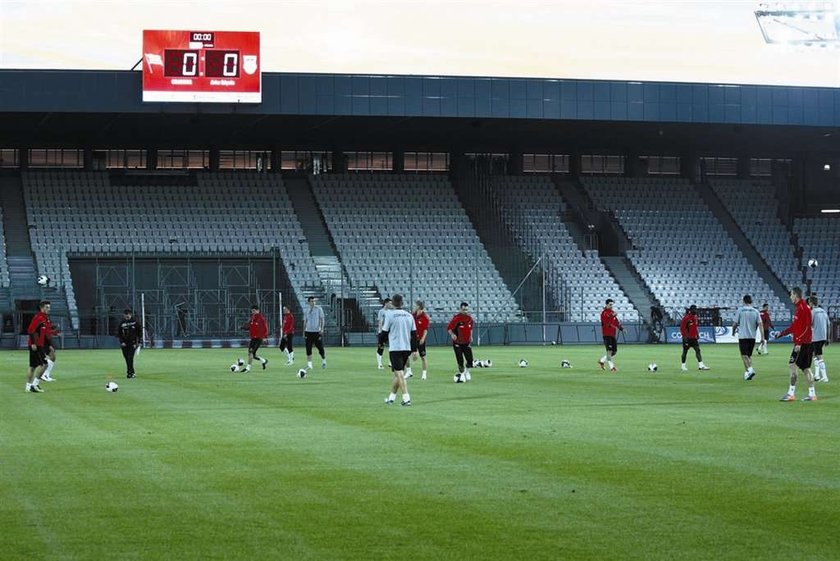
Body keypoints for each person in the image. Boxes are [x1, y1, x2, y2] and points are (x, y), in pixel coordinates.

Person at [777, 287, 816, 401]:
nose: (790, 297)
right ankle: (812, 394)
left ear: (795, 295)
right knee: (806, 368)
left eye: (791, 295)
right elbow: (794, 327)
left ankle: (791, 394)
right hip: (806, 342)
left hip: (802, 343)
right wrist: (781, 334)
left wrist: (798, 342)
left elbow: (806, 327)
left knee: (792, 365)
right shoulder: (801, 307)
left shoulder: (803, 308)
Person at [382, 294, 417, 406]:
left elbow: (384, 332)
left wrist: (381, 343)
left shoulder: (390, 315)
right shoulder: (409, 316)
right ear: (402, 303)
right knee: (398, 373)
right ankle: (391, 398)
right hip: (406, 348)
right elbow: (414, 334)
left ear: (392, 302)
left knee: (400, 374)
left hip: (395, 348)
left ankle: (406, 398)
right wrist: (414, 350)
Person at [732, 295, 760, 381]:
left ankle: (750, 369)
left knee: (743, 355)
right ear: (751, 301)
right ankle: (747, 374)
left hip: (743, 336)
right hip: (752, 336)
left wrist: (733, 331)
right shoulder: (756, 311)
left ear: (743, 301)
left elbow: (735, 323)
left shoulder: (740, 310)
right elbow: (759, 323)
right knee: (748, 356)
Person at [25, 300, 50, 393]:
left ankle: (28, 387)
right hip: (36, 345)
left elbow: (44, 332)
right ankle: (35, 384)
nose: (48, 309)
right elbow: (30, 330)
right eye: (47, 307)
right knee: (45, 364)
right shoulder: (39, 317)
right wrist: (33, 343)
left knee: (32, 366)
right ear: (41, 307)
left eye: (49, 307)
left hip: (39, 344)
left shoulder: (44, 318)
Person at [447, 301, 474, 383]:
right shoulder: (456, 319)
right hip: (457, 343)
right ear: (460, 309)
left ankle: (467, 371)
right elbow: (449, 328)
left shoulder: (469, 319)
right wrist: (452, 334)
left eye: (466, 310)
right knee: (460, 361)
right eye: (464, 310)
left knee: (470, 360)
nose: (465, 311)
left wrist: (471, 336)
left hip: (466, 342)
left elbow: (471, 328)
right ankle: (462, 374)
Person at [680, 305, 710, 371]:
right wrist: (684, 337)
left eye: (696, 309)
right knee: (685, 352)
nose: (696, 311)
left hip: (694, 338)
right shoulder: (686, 318)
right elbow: (682, 328)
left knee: (698, 350)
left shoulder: (695, 317)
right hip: (687, 338)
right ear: (691, 310)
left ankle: (701, 365)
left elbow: (695, 327)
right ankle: (683, 366)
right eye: (695, 310)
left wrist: (697, 334)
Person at [809, 295, 830, 383]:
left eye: (809, 302)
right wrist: (828, 338)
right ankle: (817, 375)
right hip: (823, 337)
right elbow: (829, 325)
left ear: (811, 302)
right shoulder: (823, 312)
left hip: (816, 337)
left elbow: (809, 324)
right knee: (815, 355)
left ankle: (824, 376)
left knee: (819, 356)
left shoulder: (812, 312)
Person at [598, 299, 623, 372]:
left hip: (612, 334)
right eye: (610, 304)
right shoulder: (604, 313)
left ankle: (601, 361)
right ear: (606, 305)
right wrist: (612, 316)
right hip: (607, 334)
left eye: (612, 305)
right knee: (609, 351)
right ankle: (612, 367)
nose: (611, 306)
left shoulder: (612, 313)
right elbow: (606, 323)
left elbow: (616, 322)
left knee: (614, 352)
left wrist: (621, 328)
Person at [117, 308, 143, 379]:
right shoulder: (122, 323)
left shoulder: (135, 322)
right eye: (125, 316)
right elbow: (119, 333)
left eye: (127, 315)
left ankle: (129, 373)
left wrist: (140, 341)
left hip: (133, 343)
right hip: (124, 344)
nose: (126, 317)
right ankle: (132, 372)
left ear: (130, 314)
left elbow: (139, 332)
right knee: (126, 358)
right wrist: (121, 342)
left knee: (130, 358)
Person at [242, 304, 269, 372]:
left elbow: (265, 328)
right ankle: (264, 361)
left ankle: (248, 368)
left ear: (258, 311)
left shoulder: (261, 319)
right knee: (252, 355)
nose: (253, 312)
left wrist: (265, 337)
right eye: (252, 311)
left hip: (258, 338)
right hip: (253, 338)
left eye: (254, 311)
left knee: (251, 352)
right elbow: (250, 327)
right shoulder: (252, 318)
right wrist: (244, 327)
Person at [303, 296, 326, 371]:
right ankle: (309, 364)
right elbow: (305, 321)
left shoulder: (319, 309)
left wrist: (322, 329)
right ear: (309, 302)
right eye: (311, 301)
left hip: (316, 332)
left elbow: (322, 319)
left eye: (314, 301)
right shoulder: (306, 310)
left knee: (320, 348)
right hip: (308, 332)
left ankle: (323, 360)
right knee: (308, 348)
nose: (313, 302)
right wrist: (304, 332)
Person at [411, 300, 430, 381]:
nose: (414, 306)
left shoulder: (425, 317)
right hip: (413, 338)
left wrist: (423, 338)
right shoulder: (413, 315)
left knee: (423, 357)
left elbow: (426, 329)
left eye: (415, 305)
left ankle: (424, 374)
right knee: (412, 356)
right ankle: (409, 371)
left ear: (418, 306)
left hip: (420, 339)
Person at [375, 298, 393, 369]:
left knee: (392, 346)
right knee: (381, 347)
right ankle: (379, 364)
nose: (391, 304)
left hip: (389, 331)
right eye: (390, 303)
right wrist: (381, 331)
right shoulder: (381, 311)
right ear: (386, 303)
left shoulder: (390, 312)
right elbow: (380, 322)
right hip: (383, 331)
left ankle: (390, 362)